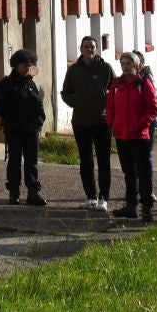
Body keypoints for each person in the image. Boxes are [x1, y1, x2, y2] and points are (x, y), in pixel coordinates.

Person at [104, 51, 157, 221]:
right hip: (121, 135)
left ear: (136, 65)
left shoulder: (144, 83)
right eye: (123, 64)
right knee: (129, 172)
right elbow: (110, 106)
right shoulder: (116, 84)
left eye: (128, 64)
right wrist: (112, 123)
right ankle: (131, 206)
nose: (125, 67)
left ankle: (146, 208)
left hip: (139, 136)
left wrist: (141, 125)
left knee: (143, 172)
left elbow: (153, 108)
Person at [61, 36, 115, 211]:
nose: (89, 50)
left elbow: (115, 90)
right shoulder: (74, 70)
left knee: (104, 160)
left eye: (92, 47)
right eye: (85, 47)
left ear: (96, 49)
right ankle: (90, 196)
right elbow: (65, 92)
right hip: (81, 122)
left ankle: (103, 198)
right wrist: (77, 103)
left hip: (102, 122)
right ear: (81, 49)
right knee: (86, 160)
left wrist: (110, 107)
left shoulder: (106, 68)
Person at [0, 49, 47, 207]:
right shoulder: (6, 84)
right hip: (14, 129)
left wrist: (38, 122)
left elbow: (39, 105)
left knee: (32, 161)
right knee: (14, 161)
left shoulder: (31, 83)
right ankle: (14, 192)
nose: (27, 68)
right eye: (24, 65)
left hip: (31, 130)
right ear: (16, 65)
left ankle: (33, 192)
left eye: (29, 65)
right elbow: (0, 108)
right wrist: (14, 122)